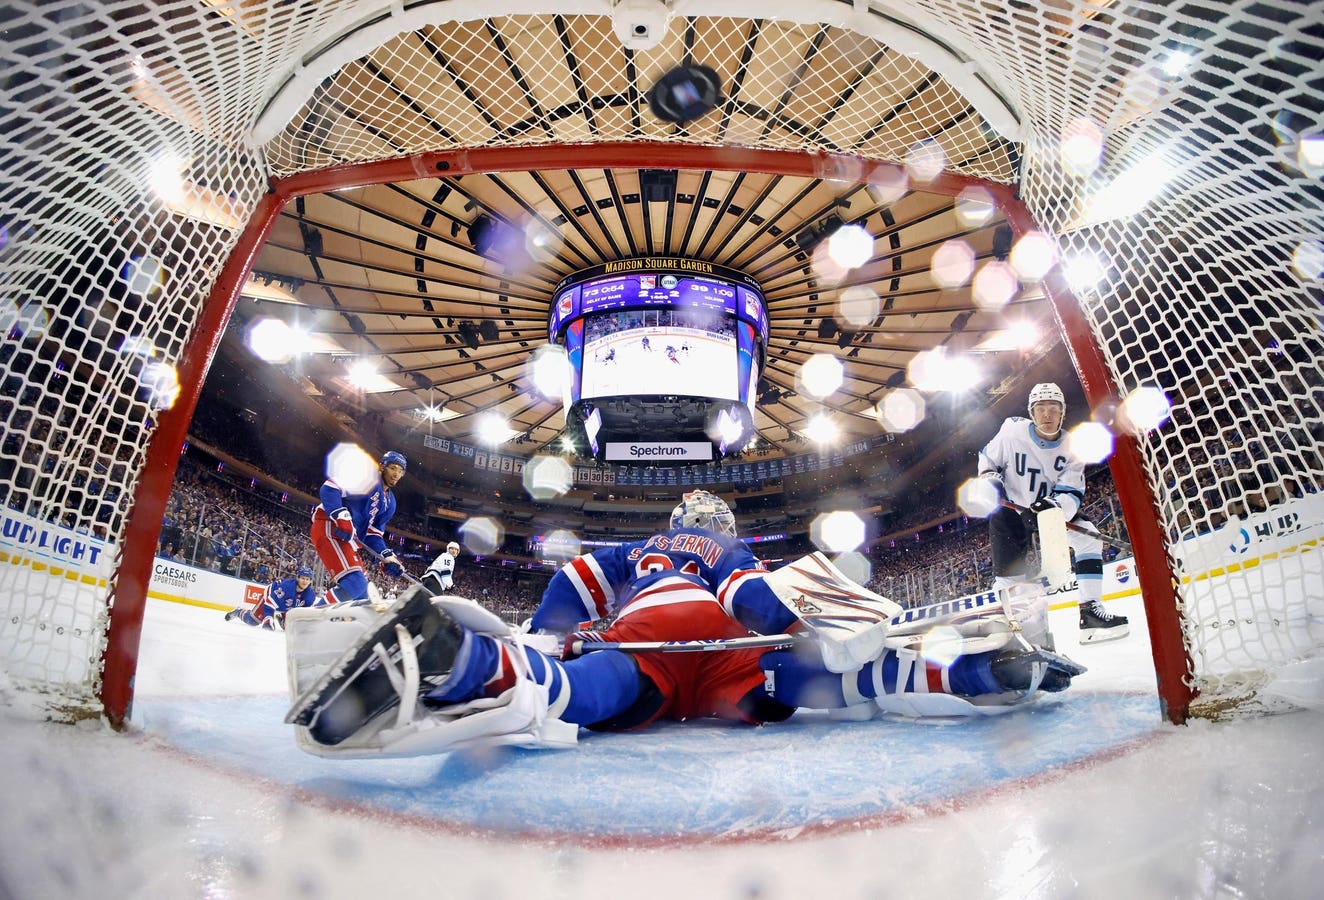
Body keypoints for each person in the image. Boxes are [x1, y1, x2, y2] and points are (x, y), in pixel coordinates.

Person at [287, 491, 1083, 754]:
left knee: (573, 690)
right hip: (734, 667)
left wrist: (545, 638)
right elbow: (751, 601)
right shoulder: (721, 544)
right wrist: (807, 637)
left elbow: (571, 580)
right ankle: (977, 672)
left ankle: (461, 665)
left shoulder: (641, 549)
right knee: (843, 681)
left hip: (650, 655)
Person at [977, 383, 1129, 644]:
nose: (1047, 414)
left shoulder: (1072, 447)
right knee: (1010, 577)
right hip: (1011, 510)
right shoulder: (1012, 430)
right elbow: (988, 459)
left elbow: (1071, 492)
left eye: (1053, 409)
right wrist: (990, 479)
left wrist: (1053, 508)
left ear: (1063, 413)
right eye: (1040, 409)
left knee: (1089, 537)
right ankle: (1014, 633)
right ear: (1031, 413)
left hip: (1046, 512)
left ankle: (1090, 615)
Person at [309, 449, 408, 605]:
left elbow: (373, 534)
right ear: (382, 467)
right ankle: (309, 621)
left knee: (363, 596)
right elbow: (330, 487)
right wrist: (340, 515)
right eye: (393, 468)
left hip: (346, 539)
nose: (396, 473)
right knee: (355, 583)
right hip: (329, 527)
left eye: (400, 471)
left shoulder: (391, 503)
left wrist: (386, 556)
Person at [226, 566, 319, 629]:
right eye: (303, 578)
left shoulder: (310, 596)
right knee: (253, 621)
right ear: (298, 578)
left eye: (307, 579)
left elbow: (303, 613)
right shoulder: (286, 587)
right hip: (270, 598)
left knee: (291, 628)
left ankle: (281, 619)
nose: (305, 581)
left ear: (310, 581)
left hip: (287, 607)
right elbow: (270, 602)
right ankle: (239, 611)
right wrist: (268, 617)